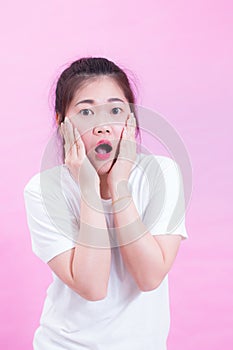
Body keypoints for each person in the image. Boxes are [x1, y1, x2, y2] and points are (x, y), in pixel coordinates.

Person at [24, 57, 188, 350]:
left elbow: (149, 277)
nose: (102, 126)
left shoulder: (161, 175)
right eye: (86, 112)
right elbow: (92, 286)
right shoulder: (43, 190)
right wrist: (89, 189)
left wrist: (118, 185)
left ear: (131, 120)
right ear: (63, 124)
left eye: (115, 110)